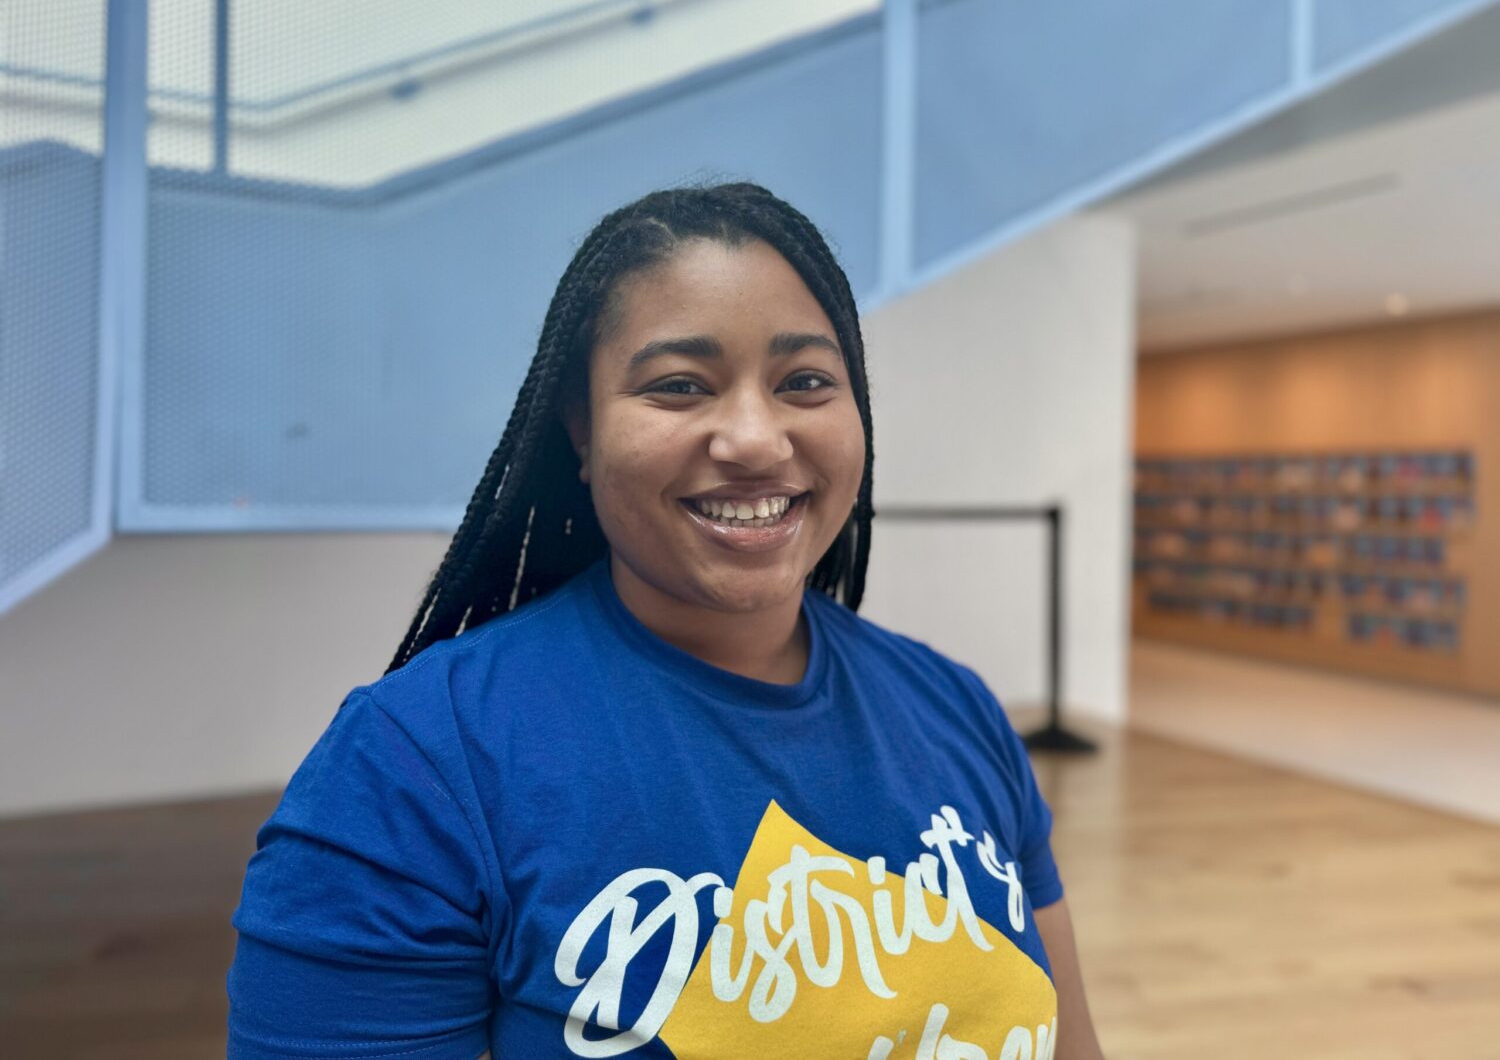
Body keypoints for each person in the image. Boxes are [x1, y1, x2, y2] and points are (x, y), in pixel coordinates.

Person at [226, 181, 1105, 1059]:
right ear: (583, 424)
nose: (756, 439)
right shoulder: (410, 768)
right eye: (681, 385)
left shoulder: (959, 711)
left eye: (805, 381)